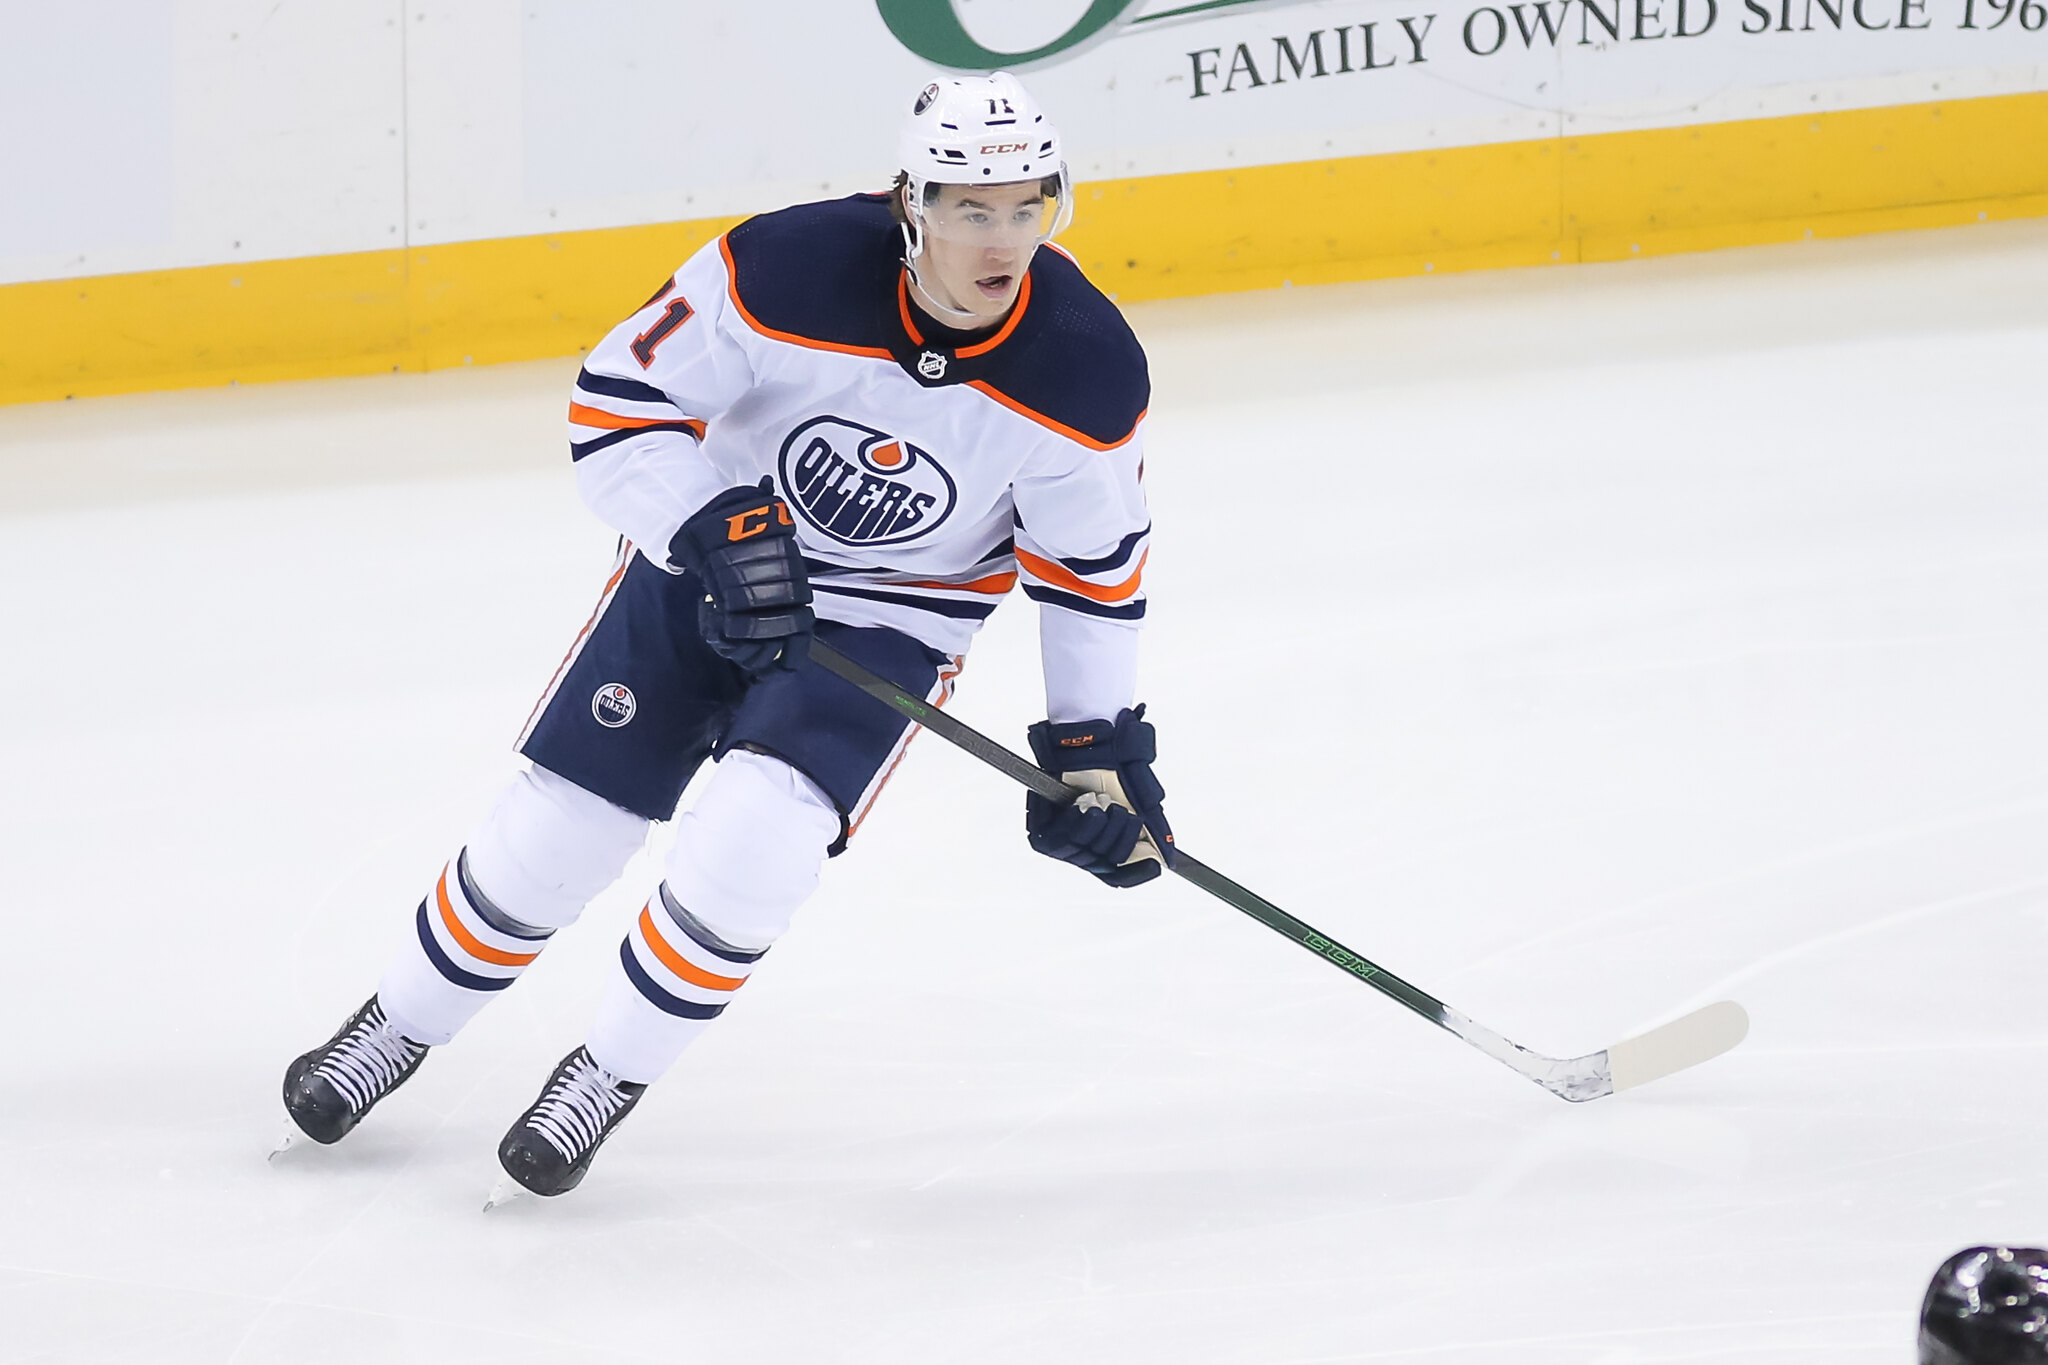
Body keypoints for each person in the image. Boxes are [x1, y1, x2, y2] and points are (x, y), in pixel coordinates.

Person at [279, 72, 1173, 1199]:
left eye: (1024, 208)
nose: (1001, 241)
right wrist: (705, 529)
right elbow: (613, 408)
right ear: (911, 203)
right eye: (968, 208)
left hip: (894, 622)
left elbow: (1090, 574)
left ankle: (606, 1075)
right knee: (558, 833)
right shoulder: (780, 267)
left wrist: (1094, 755)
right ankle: (397, 1027)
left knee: (758, 843)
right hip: (711, 566)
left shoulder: (1086, 366)